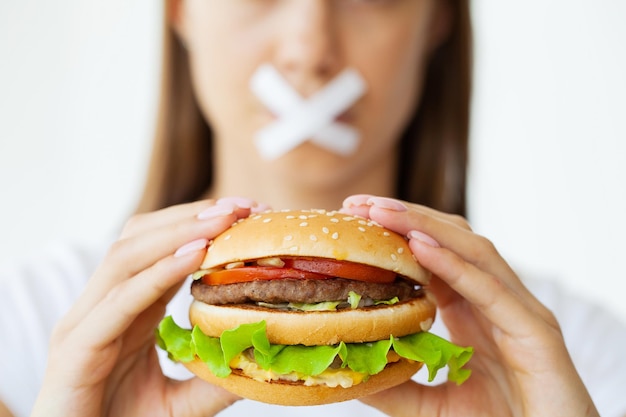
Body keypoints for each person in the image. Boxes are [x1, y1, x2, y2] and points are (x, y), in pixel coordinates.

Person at [1, 0, 625, 416]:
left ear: (437, 20)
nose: (309, 50)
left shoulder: (576, 357)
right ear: (179, 9)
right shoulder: (28, 324)